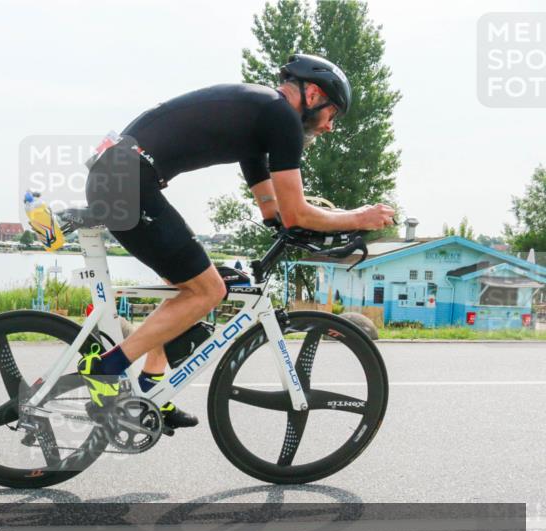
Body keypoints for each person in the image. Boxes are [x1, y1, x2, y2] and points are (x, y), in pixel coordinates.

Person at [79, 54, 397, 428]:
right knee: (208, 291)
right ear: (312, 94)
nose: (329, 126)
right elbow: (297, 213)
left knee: (188, 290)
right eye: (332, 114)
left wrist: (305, 224)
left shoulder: (261, 118)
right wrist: (359, 217)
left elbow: (274, 210)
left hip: (120, 177)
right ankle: (107, 369)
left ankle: (150, 390)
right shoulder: (281, 118)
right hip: (127, 183)